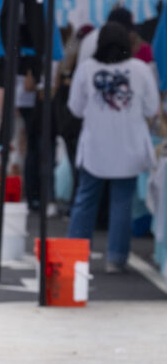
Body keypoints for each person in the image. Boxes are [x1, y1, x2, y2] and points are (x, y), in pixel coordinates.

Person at [67, 22, 160, 273]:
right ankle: (116, 258)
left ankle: (75, 254)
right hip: (128, 147)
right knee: (122, 203)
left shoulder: (86, 69)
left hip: (95, 146)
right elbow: (152, 109)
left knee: (85, 200)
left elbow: (75, 108)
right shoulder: (140, 70)